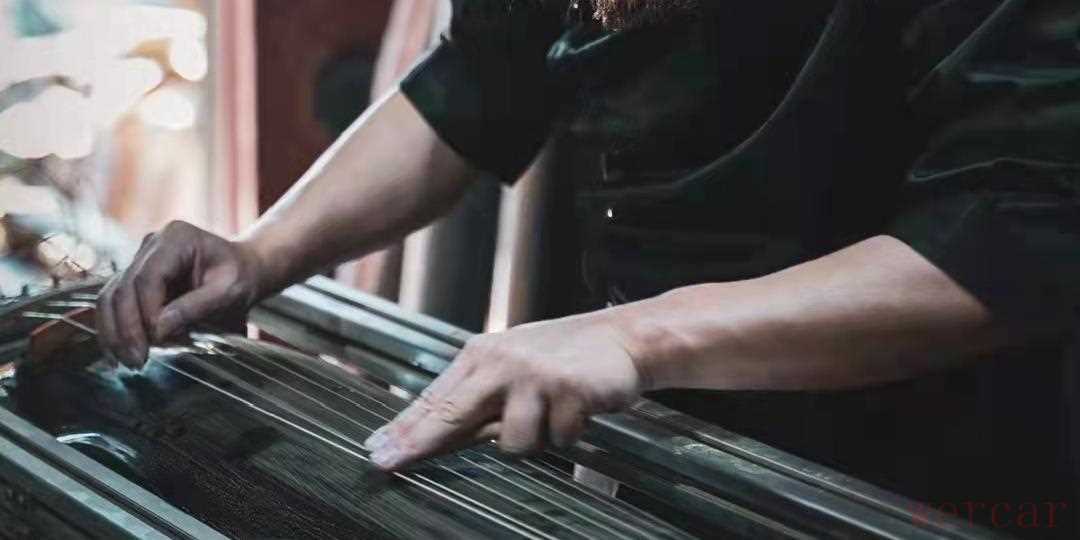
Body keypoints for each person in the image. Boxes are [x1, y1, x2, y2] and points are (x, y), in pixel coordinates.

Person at [98, 0, 1080, 534]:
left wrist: (641, 335)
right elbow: (479, 80)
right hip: (657, 442)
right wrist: (261, 250)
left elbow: (1016, 232)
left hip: (911, 469)